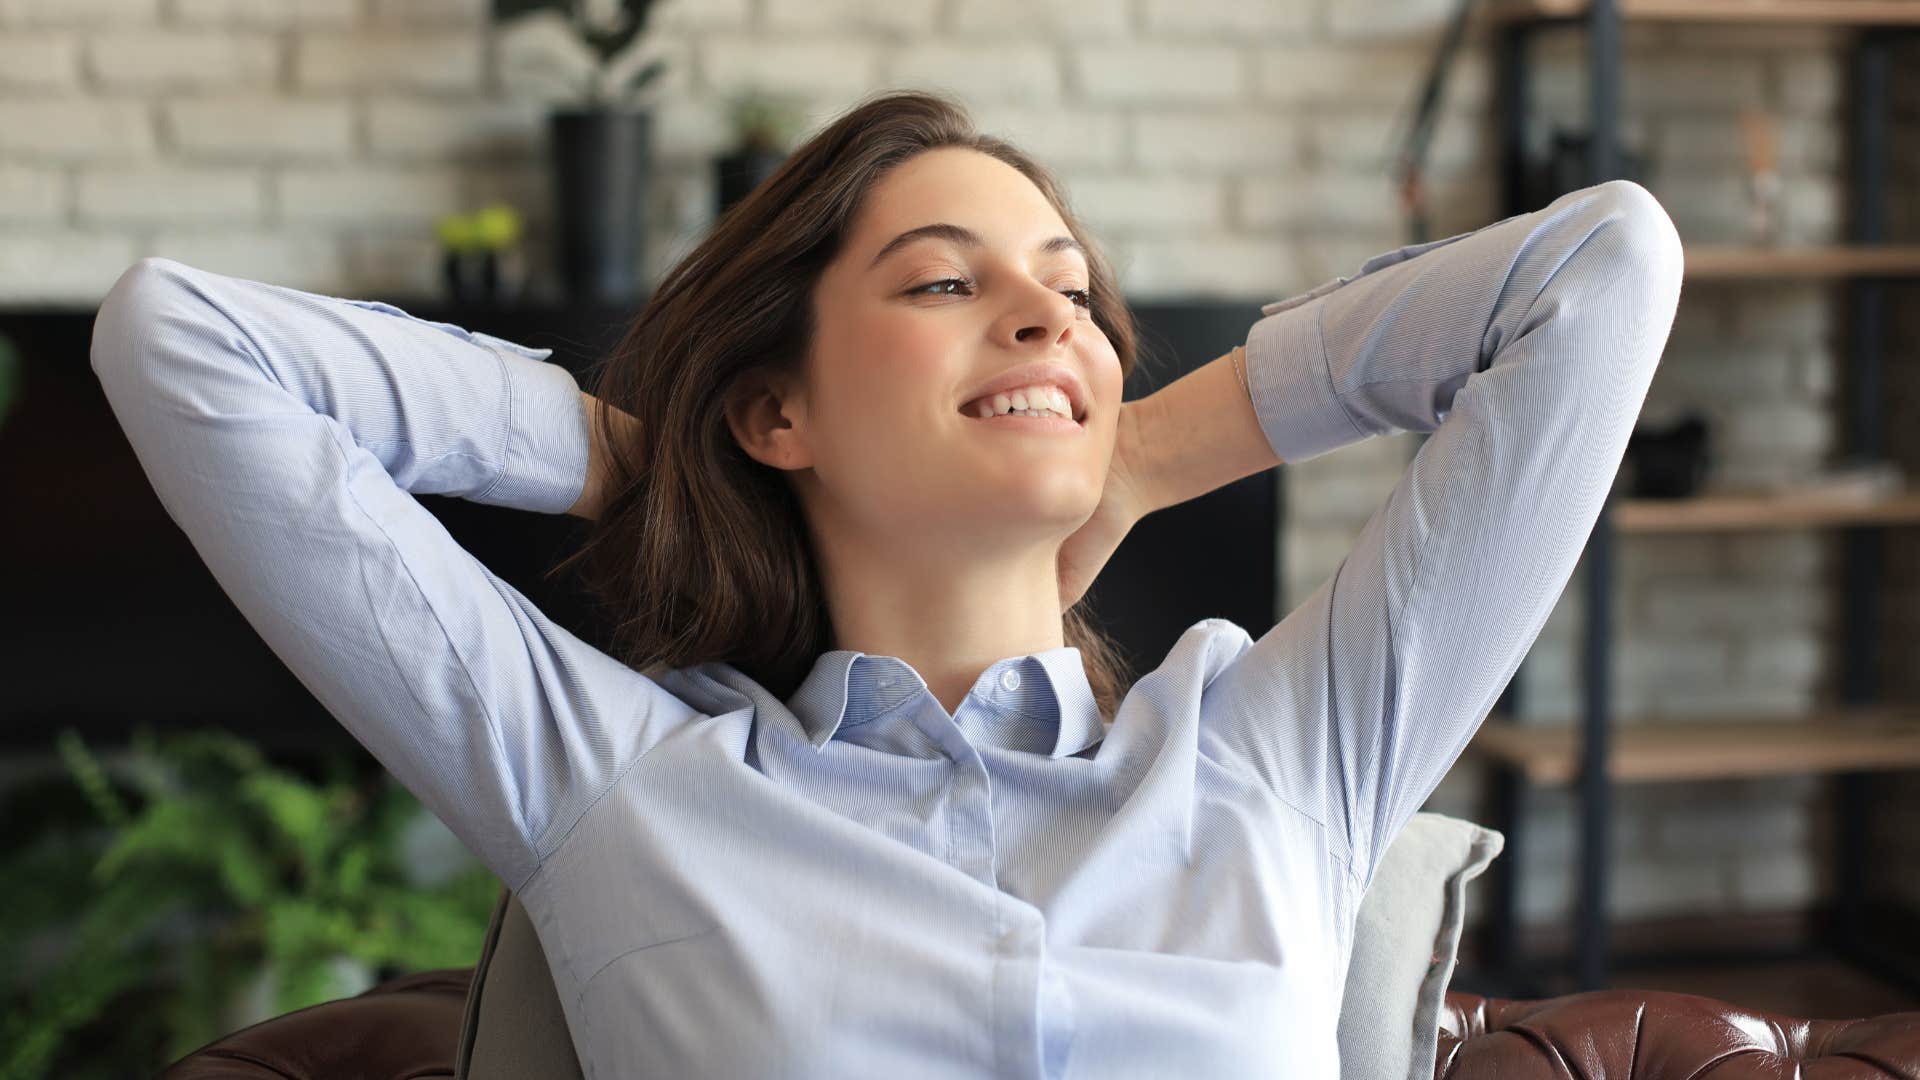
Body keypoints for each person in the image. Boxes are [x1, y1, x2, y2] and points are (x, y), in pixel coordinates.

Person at [90, 89, 1682, 1078]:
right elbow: (184, 346)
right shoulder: (619, 789)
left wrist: (1139, 451)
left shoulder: (1278, 761)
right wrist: (668, 471)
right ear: (777, 408)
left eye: (1071, 293)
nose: (1048, 317)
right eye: (943, 280)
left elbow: (1604, 270)